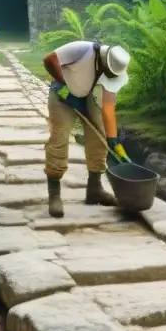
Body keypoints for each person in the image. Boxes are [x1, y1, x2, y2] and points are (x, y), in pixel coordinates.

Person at [42, 40, 131, 218]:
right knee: (59, 138)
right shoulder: (82, 49)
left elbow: (108, 108)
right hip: (63, 94)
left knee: (99, 136)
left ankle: (94, 189)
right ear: (102, 63)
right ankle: (54, 194)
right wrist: (64, 85)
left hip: (87, 94)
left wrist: (113, 140)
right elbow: (49, 60)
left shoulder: (115, 71)